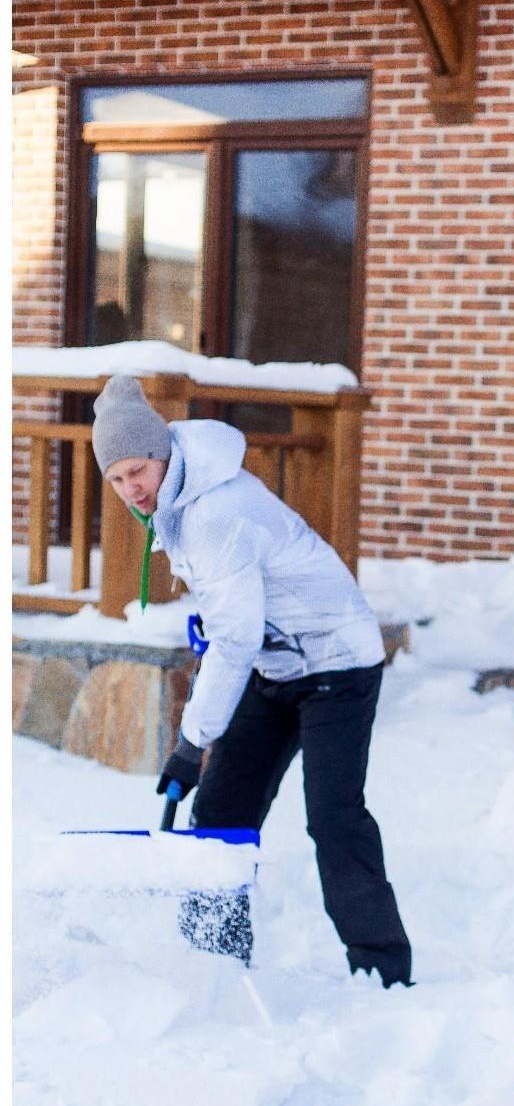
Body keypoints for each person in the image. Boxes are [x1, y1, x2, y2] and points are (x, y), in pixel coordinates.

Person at [90, 372, 413, 989]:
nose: (132, 487)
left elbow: (235, 637)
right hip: (276, 662)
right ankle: (211, 964)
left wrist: (192, 742)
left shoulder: (217, 514)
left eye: (139, 470)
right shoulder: (179, 500)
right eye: (117, 477)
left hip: (336, 664)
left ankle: (382, 970)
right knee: (221, 810)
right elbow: (231, 629)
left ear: (162, 455)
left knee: (334, 816)